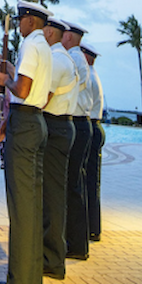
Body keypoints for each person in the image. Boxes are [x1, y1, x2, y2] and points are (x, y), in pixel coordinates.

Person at [0, 0, 52, 284]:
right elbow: (35, 97)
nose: (19, 24)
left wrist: (4, 80)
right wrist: (5, 126)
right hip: (34, 121)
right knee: (32, 207)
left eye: (21, 19)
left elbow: (21, 90)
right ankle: (28, 279)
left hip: (25, 126)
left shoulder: (29, 45)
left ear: (28, 21)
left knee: (21, 208)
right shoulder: (45, 48)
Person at [41, 17, 78, 281]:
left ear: (50, 31)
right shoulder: (64, 58)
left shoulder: (56, 60)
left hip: (55, 127)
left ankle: (52, 258)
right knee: (54, 194)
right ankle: (52, 255)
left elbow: (42, 98)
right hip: (61, 126)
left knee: (52, 197)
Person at [62, 19, 93, 261]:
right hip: (83, 124)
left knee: (72, 187)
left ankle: (75, 243)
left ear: (70, 38)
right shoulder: (79, 59)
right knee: (76, 186)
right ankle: (77, 242)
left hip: (78, 122)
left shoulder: (73, 59)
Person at [82, 42, 105, 243]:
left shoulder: (87, 77)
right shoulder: (92, 75)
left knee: (88, 180)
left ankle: (91, 227)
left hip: (91, 126)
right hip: (95, 127)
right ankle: (92, 226)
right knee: (92, 180)